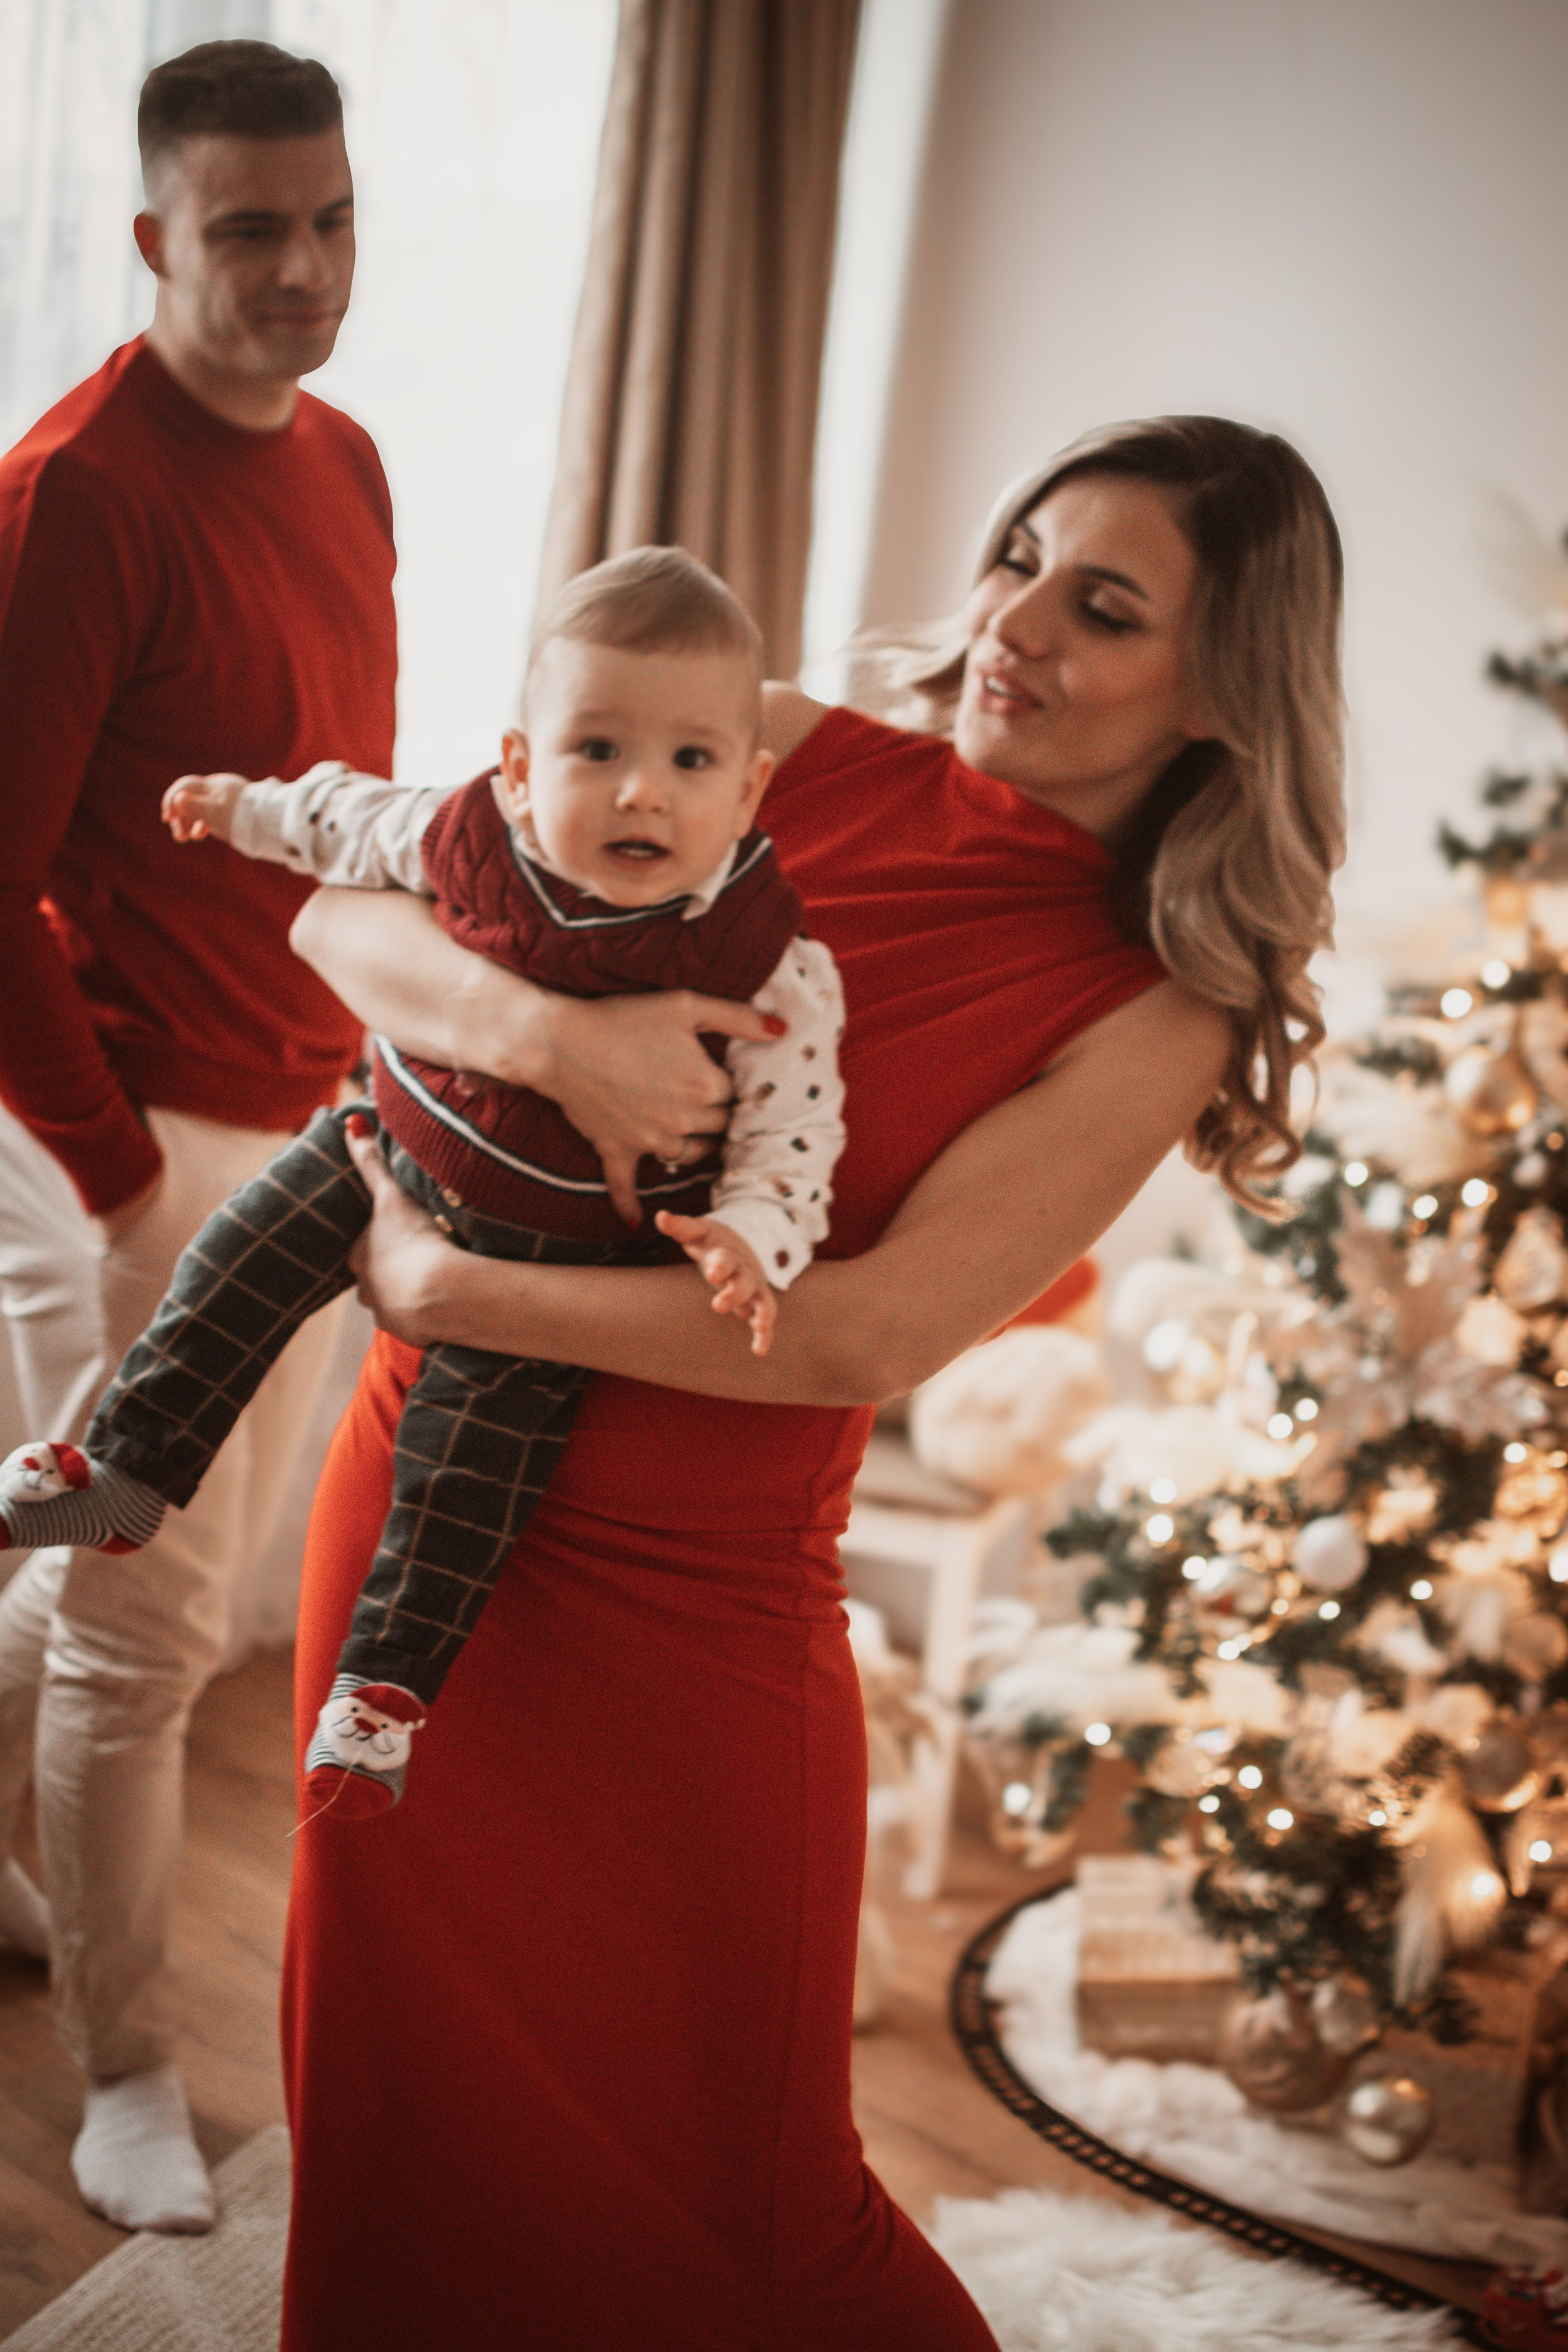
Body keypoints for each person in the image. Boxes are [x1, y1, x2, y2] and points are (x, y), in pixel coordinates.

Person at [280, 418, 1344, 2348]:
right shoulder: (765, 745)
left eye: (1104, 608)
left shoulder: (1155, 1003)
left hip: (687, 1622)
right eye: (1019, 557)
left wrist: (452, 1286)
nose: (1014, 622)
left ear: (1221, 689)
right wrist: (547, 1037)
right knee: (389, 2097)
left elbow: (867, 1331)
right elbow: (338, 907)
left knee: (758, 2206)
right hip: (421, 1503)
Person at [0, 549, 848, 1822]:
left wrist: (750, 1232)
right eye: (597, 750)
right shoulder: (470, 832)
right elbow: (342, 818)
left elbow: (797, 1132)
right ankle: (126, 1473)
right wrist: (237, 807)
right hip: (383, 1148)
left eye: (690, 761)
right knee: (232, 1259)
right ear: (520, 765)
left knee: (467, 1474)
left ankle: (382, 1696)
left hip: (549, 1258)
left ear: (748, 789)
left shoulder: (771, 962)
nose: (642, 791)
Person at [0, 40, 397, 2231]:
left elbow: (332, 806)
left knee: (127, 1578)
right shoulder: (75, 496)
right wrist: (120, 1172)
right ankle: (129, 2074)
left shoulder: (346, 460)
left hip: (313, 1112)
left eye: (332, 221)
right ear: (155, 236)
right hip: (141, 1126)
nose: (305, 269)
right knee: (146, 1632)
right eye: (252, 229)